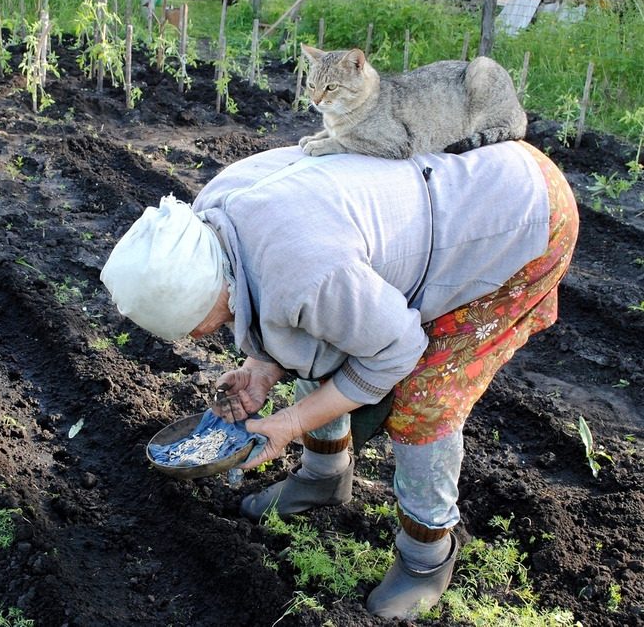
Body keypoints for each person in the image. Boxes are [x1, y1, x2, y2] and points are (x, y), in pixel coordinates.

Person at [100, 139, 579, 619]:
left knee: (424, 397)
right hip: (440, 206)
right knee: (341, 335)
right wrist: (261, 369)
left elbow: (393, 351)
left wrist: (289, 424)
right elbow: (303, 314)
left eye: (197, 326)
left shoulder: (307, 275)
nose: (199, 335)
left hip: (520, 217)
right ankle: (324, 479)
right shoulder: (211, 220)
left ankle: (426, 557)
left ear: (205, 294)